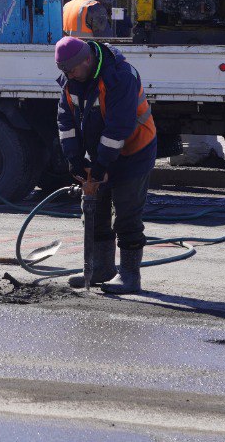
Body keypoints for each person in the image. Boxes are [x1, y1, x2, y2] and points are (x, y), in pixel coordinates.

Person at [54, 36, 157, 294]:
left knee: (126, 214)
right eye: (64, 71)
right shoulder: (73, 79)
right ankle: (101, 268)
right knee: (94, 211)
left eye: (72, 70)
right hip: (101, 151)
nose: (69, 75)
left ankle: (130, 276)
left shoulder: (120, 77)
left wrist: (101, 165)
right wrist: (75, 159)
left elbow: (119, 127)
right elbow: (65, 121)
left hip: (134, 151)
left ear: (87, 60)